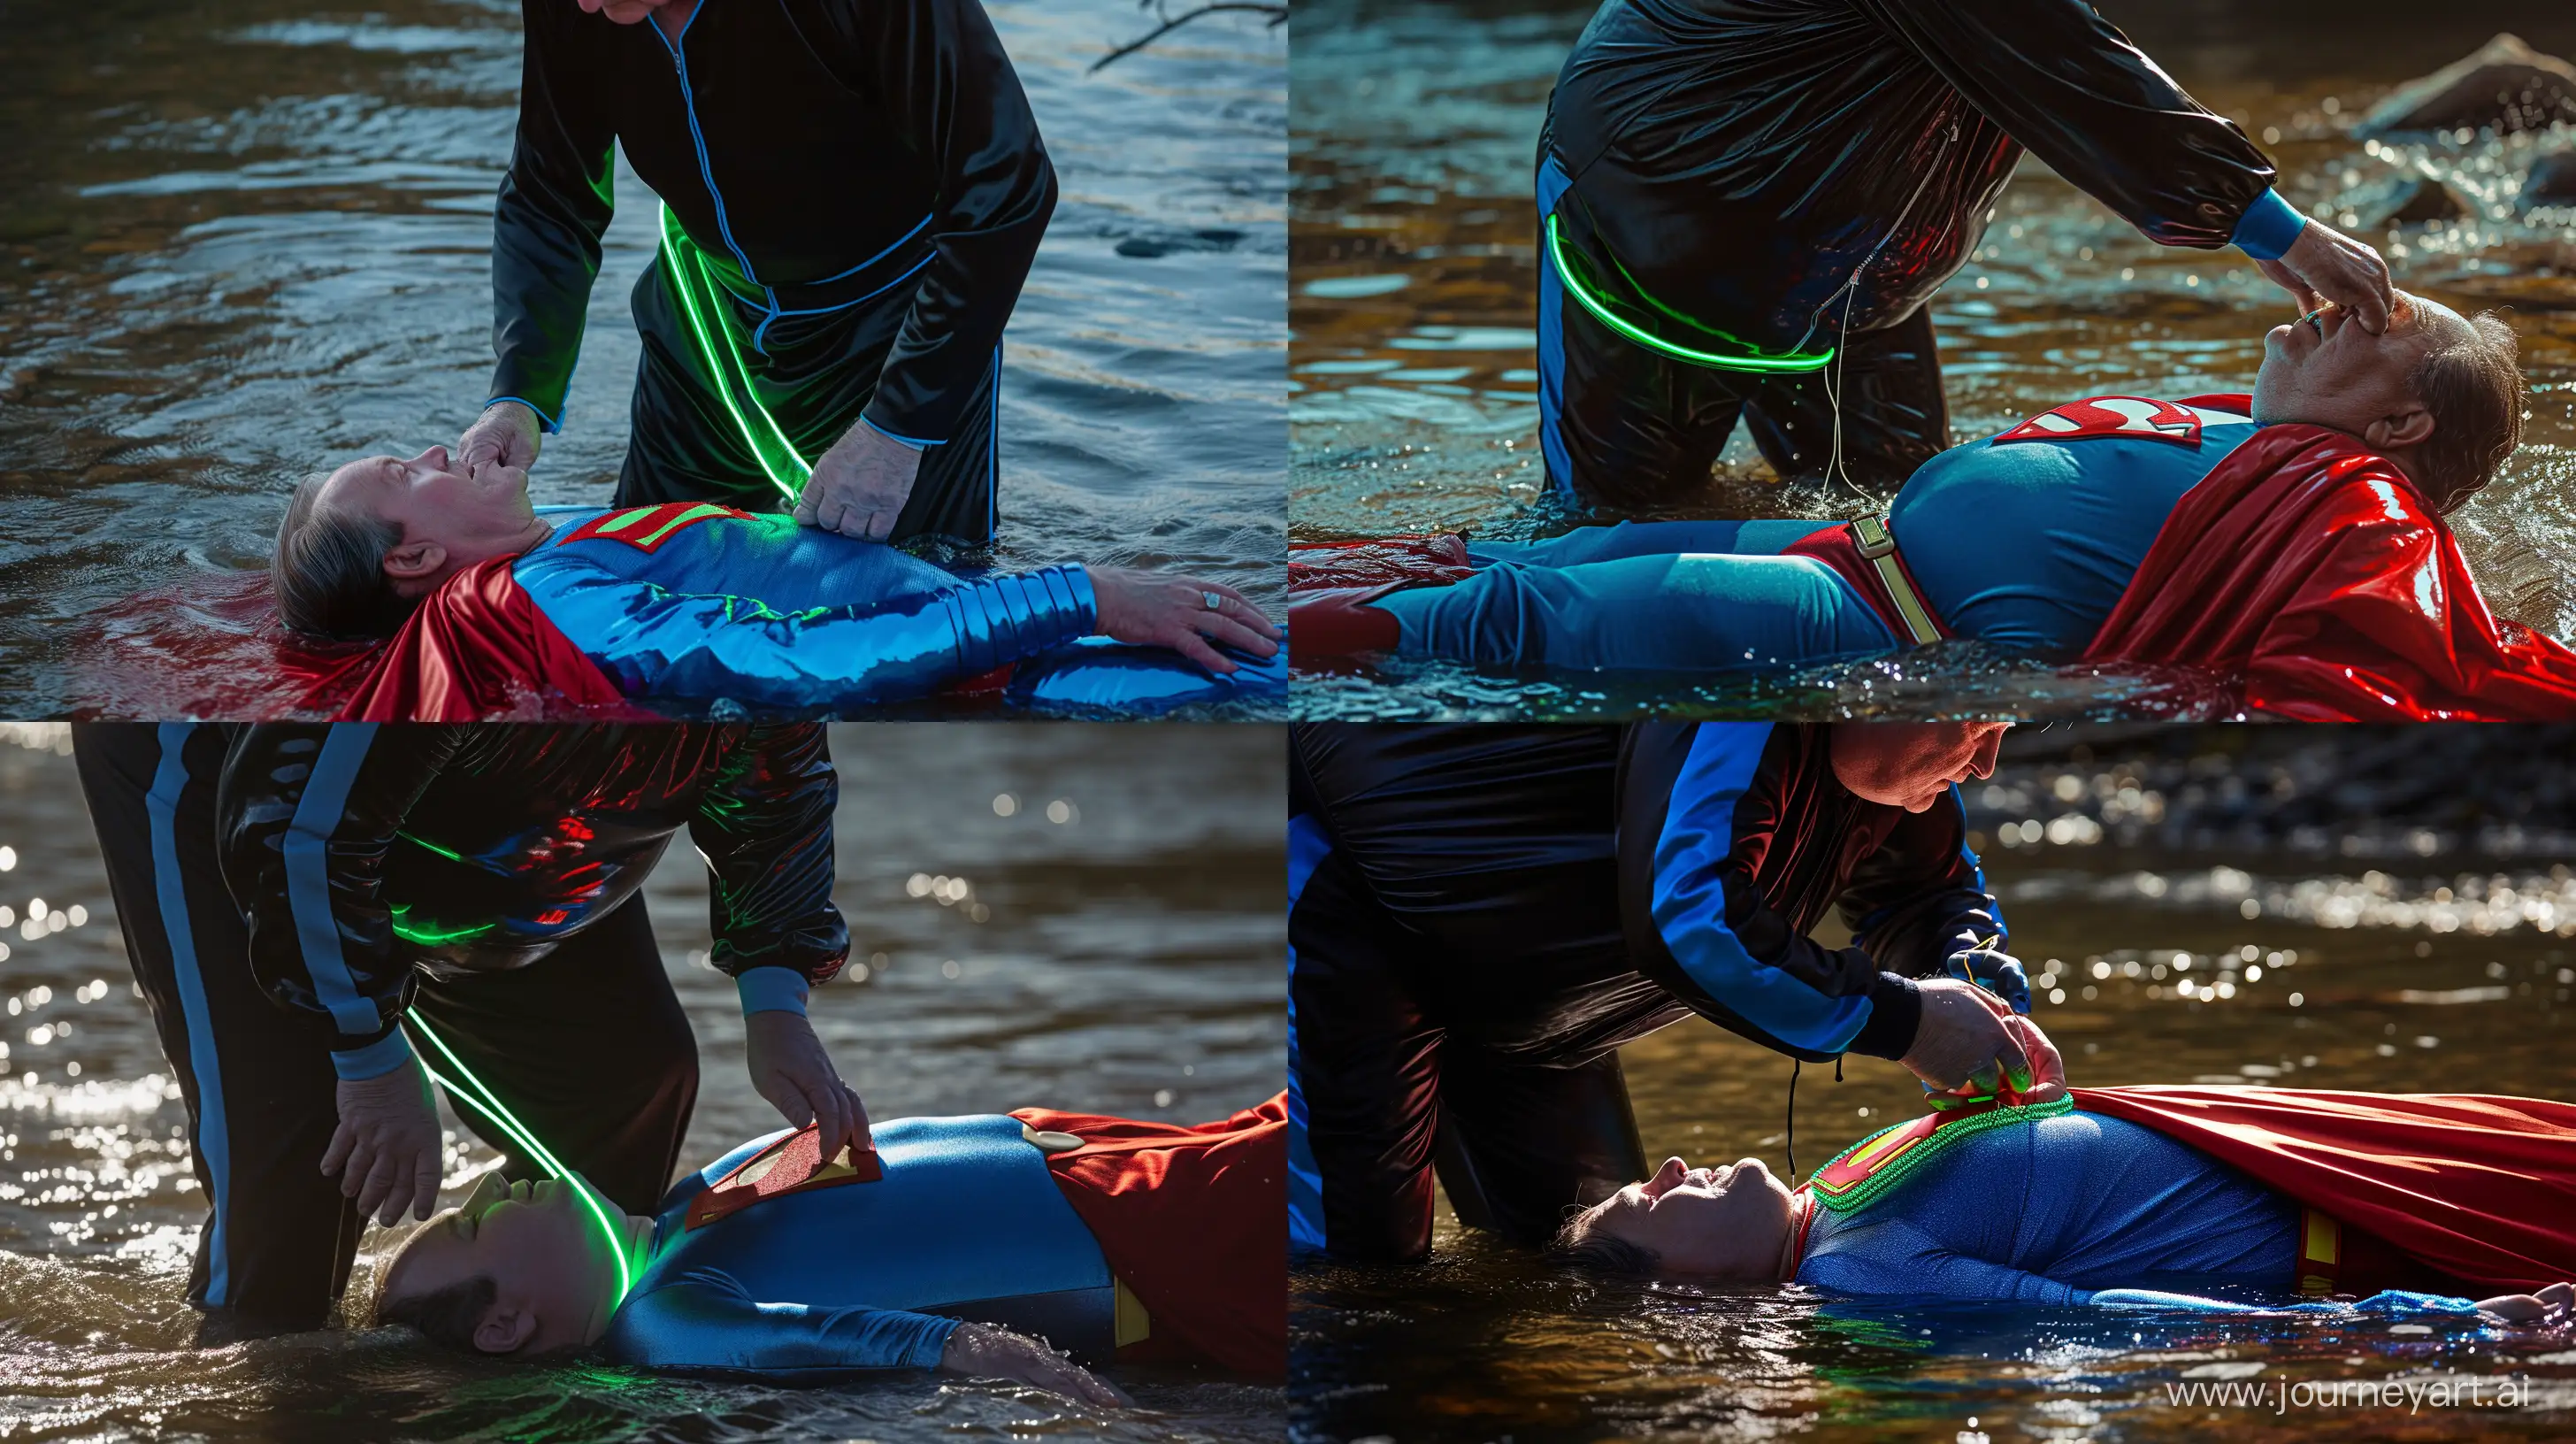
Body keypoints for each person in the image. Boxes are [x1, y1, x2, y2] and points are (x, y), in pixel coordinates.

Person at [1294, 293, 2576, 718]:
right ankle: (1261, 590)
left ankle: (1210, 640)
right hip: (1837, 548)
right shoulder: (2254, 437)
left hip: (1863, 620)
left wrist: (2080, 702)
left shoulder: (2349, 496)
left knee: (1504, 618)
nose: (2313, 306)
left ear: (2399, 427)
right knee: (1485, 556)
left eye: (2364, 324)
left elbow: (2395, 650)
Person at [67, 723, 861, 1338]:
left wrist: (775, 999)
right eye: (482, 1212)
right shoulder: (459, 640)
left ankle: (546, 1342)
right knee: (305, 1174)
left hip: (510, 823)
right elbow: (297, 833)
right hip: (247, 808)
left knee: (629, 1080)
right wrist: (368, 1053)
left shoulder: (749, 626)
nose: (495, 1188)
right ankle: (280, 1373)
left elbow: (778, 785)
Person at [1535, 0, 2395, 506]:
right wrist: (2276, 229)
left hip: (1861, 266)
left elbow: (2058, 61)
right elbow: (2081, 75)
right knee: (1617, 517)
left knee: (1891, 503)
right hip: (1655, 221)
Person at [1288, 719, 2048, 1262]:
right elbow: (1691, 920)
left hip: (1540, 1016)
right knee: (1359, 1291)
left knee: (1598, 1271)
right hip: (1353, 916)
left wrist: (1966, 977)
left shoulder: (1902, 766)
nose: (1985, 763)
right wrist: (1910, 1023)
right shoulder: (1746, 694)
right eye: (1975, 722)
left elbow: (1928, 901)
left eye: (2005, 725)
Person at [458, 0, 1056, 545]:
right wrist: (519, 394)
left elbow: (1007, 185)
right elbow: (550, 195)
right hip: (705, 324)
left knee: (926, 600)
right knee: (643, 578)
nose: (583, 4)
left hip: (898, 330)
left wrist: (899, 426)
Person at [270, 448, 1283, 719]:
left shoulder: (558, 542)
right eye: (408, 474)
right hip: (1020, 675)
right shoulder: (542, 598)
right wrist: (1085, 596)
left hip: (1008, 633)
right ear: (411, 563)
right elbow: (796, 664)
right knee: (1293, 675)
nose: (438, 448)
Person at [371, 1095, 1289, 1393]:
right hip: (1141, 1242)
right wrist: (1086, 1398)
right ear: (505, 1326)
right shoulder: (664, 1323)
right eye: (473, 1223)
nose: (496, 1183)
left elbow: (845, 1148)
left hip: (1116, 1156)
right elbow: (924, 1343)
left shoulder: (687, 1207)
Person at [1552, 1082, 2576, 1328]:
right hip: (2351, 1219)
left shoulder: (1825, 1196)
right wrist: (2411, 1325)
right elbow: (2090, 1323)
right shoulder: (1854, 1272)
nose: (1670, 1162)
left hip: (2314, 1151)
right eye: (1648, 1203)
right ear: (1685, 1292)